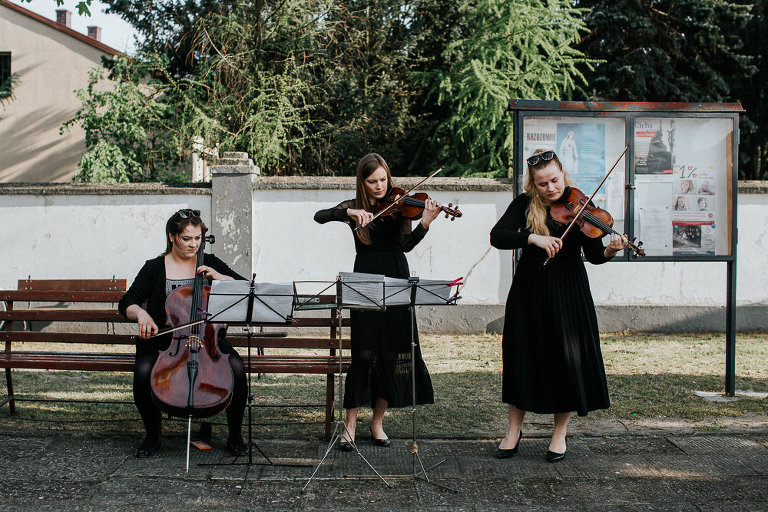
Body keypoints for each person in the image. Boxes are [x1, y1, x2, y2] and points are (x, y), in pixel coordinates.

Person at [489, 149, 628, 462]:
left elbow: (594, 255)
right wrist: (534, 239)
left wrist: (612, 250)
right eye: (542, 183)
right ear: (533, 184)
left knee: (566, 359)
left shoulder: (581, 206)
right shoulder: (524, 205)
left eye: (554, 180)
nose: (550, 188)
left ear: (563, 174)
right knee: (521, 356)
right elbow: (498, 236)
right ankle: (513, 430)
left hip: (568, 290)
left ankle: (559, 433)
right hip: (530, 290)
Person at [313, 153, 441, 450]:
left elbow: (405, 246)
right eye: (373, 181)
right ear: (363, 182)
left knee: (393, 351)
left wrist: (425, 222)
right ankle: (351, 423)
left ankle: (378, 422)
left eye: (383, 179)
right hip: (366, 278)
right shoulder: (353, 207)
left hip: (396, 274)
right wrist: (349, 214)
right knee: (364, 352)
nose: (380, 186)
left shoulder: (400, 203)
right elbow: (319, 216)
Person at [118, 209, 248, 458]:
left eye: (198, 238)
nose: (194, 244)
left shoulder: (209, 262)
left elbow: (246, 288)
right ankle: (153, 436)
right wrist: (142, 314)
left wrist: (220, 278)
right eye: (187, 238)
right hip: (166, 344)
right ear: (172, 236)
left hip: (208, 343)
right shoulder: (155, 267)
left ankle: (235, 437)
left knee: (237, 368)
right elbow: (127, 302)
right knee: (144, 371)